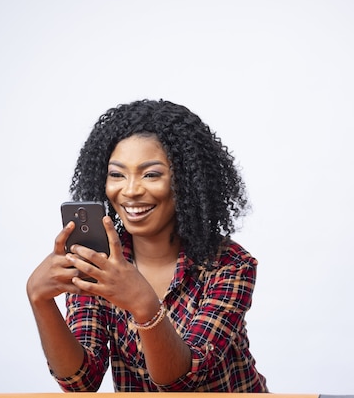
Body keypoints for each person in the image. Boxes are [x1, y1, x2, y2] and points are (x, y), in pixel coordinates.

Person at [26, 99, 268, 392]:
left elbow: (184, 380)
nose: (130, 190)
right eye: (116, 174)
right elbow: (80, 381)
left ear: (187, 181)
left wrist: (143, 305)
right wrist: (41, 301)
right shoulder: (100, 262)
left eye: (151, 174)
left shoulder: (229, 265)